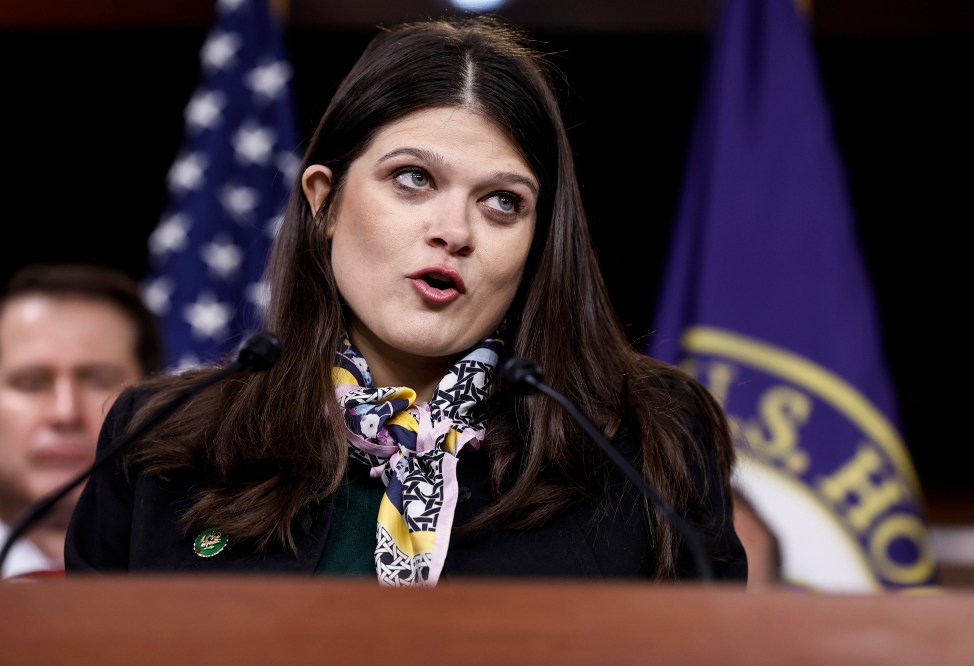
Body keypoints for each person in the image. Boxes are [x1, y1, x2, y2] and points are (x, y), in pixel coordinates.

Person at [65, 15, 747, 585]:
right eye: (413, 179)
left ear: (539, 244)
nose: (453, 232)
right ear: (324, 203)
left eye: (503, 203)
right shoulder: (162, 442)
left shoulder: (642, 442)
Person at [0, 263, 163, 579]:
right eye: (32, 382)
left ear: (155, 397)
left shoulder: (204, 574)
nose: (66, 414)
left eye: (98, 381)